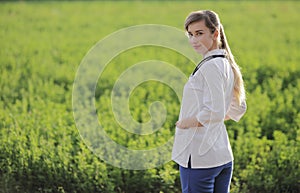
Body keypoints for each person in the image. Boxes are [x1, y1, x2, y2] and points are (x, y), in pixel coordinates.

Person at [172, 10, 247, 193]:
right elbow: (238, 107)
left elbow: (215, 111)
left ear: (215, 33)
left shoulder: (211, 66)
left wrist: (185, 123)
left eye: (199, 33)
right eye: (190, 34)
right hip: (221, 156)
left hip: (199, 158)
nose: (193, 40)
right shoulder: (225, 63)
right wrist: (212, 121)